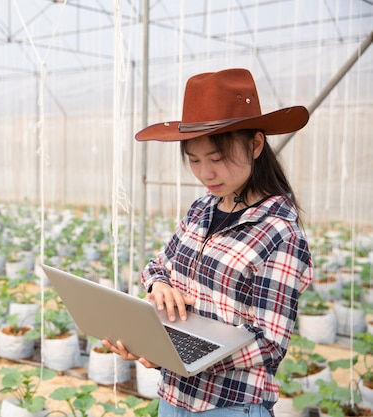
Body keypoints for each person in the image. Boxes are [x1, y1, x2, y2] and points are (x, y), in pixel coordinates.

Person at [102, 68, 313, 417]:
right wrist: (159, 286)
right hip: (172, 398)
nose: (206, 174)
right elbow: (159, 266)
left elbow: (269, 342)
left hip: (229, 406)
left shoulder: (280, 233)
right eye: (195, 160)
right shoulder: (202, 208)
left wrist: (176, 354)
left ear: (256, 144)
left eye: (217, 159)